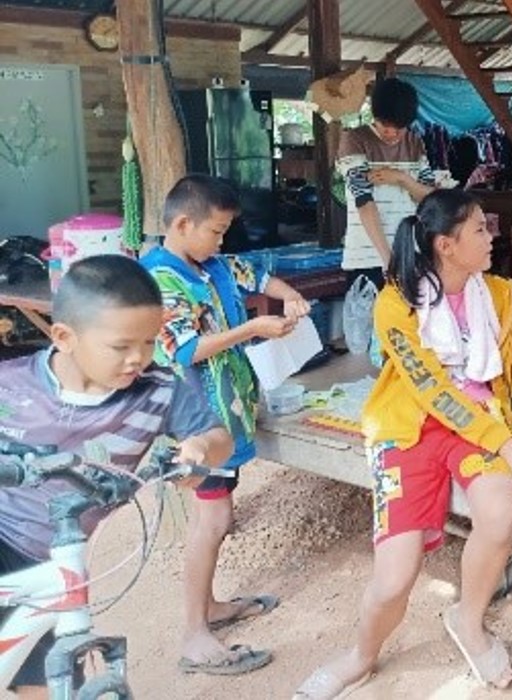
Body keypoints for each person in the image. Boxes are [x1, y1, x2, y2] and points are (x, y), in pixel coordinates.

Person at [294, 190, 512, 698]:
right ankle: (361, 656)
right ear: (446, 245)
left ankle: (468, 619)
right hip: (410, 429)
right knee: (396, 577)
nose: (493, 236)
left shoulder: (500, 295)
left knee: (500, 515)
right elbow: (432, 391)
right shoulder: (395, 304)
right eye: (481, 229)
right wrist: (508, 446)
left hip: (478, 423)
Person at [0, 256, 238, 697]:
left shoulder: (159, 390)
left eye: (148, 343)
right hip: (4, 534)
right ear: (64, 337)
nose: (137, 358)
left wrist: (200, 448)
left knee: (49, 683)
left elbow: (216, 435)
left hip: (57, 557)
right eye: (121, 346)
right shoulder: (10, 385)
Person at [141, 174, 311, 675]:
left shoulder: (211, 263)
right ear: (182, 224)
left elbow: (258, 276)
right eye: (216, 232)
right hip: (196, 418)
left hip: (226, 411)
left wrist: (290, 298)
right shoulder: (160, 278)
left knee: (215, 516)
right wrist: (254, 328)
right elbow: (186, 349)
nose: (222, 241)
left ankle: (210, 607)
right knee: (210, 521)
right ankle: (194, 633)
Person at [336, 77, 438, 286]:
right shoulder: (355, 140)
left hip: (410, 253)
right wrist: (388, 260)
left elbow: (429, 197)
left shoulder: (415, 142)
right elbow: (364, 202)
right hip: (367, 258)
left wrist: (401, 178)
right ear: (375, 116)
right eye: (385, 125)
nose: (391, 133)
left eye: (399, 128)